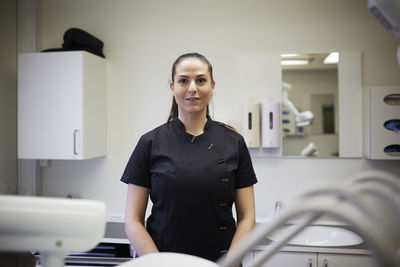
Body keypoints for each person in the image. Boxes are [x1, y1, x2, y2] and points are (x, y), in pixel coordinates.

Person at [121, 52, 257, 263]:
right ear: (172, 87)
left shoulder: (234, 142)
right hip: (164, 261)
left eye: (201, 80)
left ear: (212, 86)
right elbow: (132, 221)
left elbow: (247, 218)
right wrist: (158, 263)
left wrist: (230, 262)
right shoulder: (150, 143)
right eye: (183, 80)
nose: (192, 88)